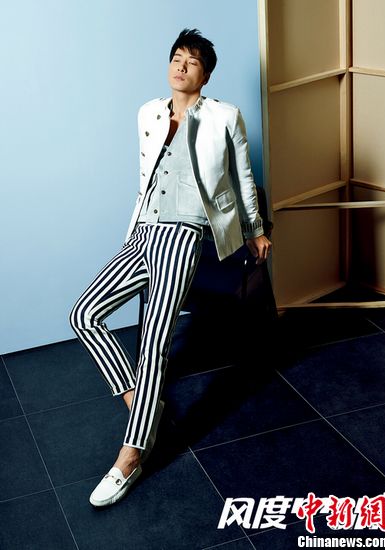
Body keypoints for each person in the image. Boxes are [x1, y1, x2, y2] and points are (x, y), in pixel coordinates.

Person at [69, 28, 271, 507]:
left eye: (192, 61)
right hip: (144, 230)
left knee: (154, 341)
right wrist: (137, 229)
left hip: (185, 233)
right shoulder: (149, 112)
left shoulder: (225, 116)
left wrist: (255, 229)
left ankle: (132, 455)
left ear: (205, 75)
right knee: (84, 314)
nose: (181, 66)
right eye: (177, 57)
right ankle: (144, 404)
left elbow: (243, 176)